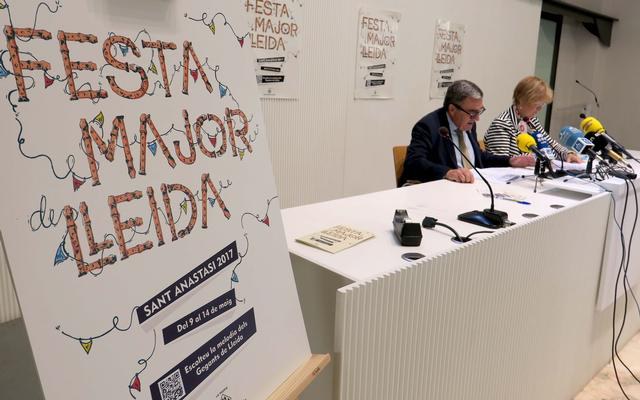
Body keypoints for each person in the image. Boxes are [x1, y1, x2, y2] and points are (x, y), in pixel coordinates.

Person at [401, 80, 535, 184]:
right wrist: (447, 172)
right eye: (472, 112)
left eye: (479, 111)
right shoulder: (428, 126)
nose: (477, 118)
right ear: (452, 109)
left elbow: (478, 157)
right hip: (443, 191)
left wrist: (510, 161)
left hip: (472, 187)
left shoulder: (469, 124)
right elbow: (414, 163)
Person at [484, 76, 582, 163]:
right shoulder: (502, 124)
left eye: (542, 105)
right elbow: (500, 163)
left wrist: (567, 154)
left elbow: (549, 143)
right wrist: (534, 158)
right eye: (537, 105)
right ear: (522, 101)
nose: (539, 110)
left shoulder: (531, 120)